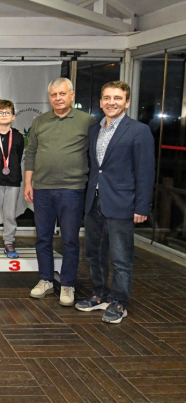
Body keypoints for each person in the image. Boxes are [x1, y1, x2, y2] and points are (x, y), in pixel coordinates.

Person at [75, 81, 155, 323]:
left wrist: (142, 206)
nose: (112, 102)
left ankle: (119, 302)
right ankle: (100, 294)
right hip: (94, 202)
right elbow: (96, 168)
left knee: (121, 258)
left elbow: (145, 171)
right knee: (94, 253)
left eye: (118, 98)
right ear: (101, 102)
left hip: (122, 203)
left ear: (127, 102)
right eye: (107, 98)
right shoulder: (95, 130)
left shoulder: (139, 131)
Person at [24, 77, 97, 306]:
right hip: (42, 189)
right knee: (43, 238)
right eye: (54, 95)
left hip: (72, 189)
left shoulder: (88, 121)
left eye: (62, 94)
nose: (58, 98)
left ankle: (67, 284)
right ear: (49, 97)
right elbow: (31, 153)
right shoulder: (40, 121)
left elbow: (95, 155)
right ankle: (46, 280)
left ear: (72, 95)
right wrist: (28, 183)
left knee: (70, 240)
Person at [0, 100, 24, 258]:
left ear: (13, 116)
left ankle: (9, 242)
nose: (4, 115)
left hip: (13, 181)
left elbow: (18, 156)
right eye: (0, 113)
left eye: (7, 112)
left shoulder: (18, 136)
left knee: (10, 215)